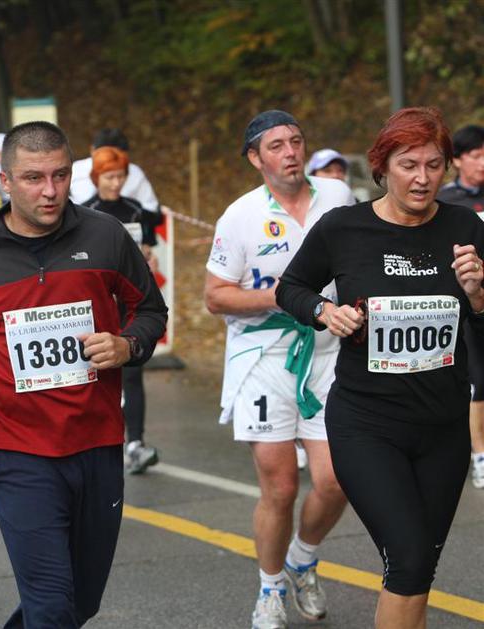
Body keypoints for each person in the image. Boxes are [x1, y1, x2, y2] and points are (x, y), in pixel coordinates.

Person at [0, 122, 167, 627]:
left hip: (96, 439)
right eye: (33, 178)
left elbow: (150, 311)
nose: (50, 191)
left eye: (60, 175)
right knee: (51, 603)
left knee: (79, 603)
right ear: (5, 182)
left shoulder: (105, 236)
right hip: (17, 446)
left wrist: (127, 345)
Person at [276, 106, 484, 629]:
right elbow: (291, 288)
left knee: (418, 569)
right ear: (382, 167)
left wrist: (479, 297)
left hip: (443, 427)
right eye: (408, 165)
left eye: (433, 165)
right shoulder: (343, 228)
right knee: (409, 558)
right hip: (367, 424)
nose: (422, 178)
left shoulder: (465, 227)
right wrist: (324, 311)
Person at [204, 110, 354, 628]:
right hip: (264, 356)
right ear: (255, 158)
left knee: (337, 479)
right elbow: (215, 297)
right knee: (281, 487)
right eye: (276, 145)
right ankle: (269, 590)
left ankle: (302, 559)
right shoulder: (240, 216)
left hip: (329, 353)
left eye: (296, 141)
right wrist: (289, 296)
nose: (290, 152)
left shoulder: (337, 196)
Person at [82, 146, 161, 474]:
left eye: (120, 177)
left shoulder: (135, 210)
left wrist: (147, 257)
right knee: (97, 373)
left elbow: (149, 249)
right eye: (109, 177)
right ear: (96, 178)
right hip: (99, 304)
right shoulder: (85, 212)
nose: (115, 183)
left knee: (132, 369)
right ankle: (95, 441)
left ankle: (136, 443)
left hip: (130, 302)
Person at [437, 123, 484, 491]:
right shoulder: (446, 200)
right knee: (478, 377)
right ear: (457, 160)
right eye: (476, 156)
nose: (483, 163)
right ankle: (479, 454)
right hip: (466, 300)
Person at [69, 128, 160, 213]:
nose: (116, 183)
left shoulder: (135, 173)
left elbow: (151, 207)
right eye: (105, 156)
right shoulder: (75, 170)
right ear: (92, 150)